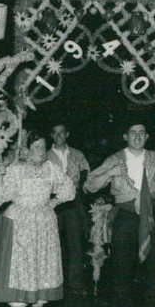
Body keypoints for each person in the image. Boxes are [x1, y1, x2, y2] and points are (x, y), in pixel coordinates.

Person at [84, 121, 155, 307]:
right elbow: (89, 185)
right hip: (125, 217)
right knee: (122, 265)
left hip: (151, 216)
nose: (137, 136)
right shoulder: (114, 159)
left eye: (142, 133)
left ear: (147, 137)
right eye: (133, 132)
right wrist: (109, 173)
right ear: (126, 136)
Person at [0, 132, 75, 307]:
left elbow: (68, 188)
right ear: (26, 150)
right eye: (37, 147)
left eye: (44, 147)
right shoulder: (15, 170)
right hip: (21, 222)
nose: (41, 151)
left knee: (43, 266)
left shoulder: (51, 169)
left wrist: (54, 201)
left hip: (44, 222)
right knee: (21, 267)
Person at [46, 123, 91, 294]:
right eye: (55, 132)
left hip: (73, 202)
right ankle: (50, 283)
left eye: (62, 132)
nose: (59, 135)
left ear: (67, 134)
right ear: (52, 135)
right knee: (51, 242)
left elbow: (87, 174)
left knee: (75, 242)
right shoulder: (45, 155)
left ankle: (76, 283)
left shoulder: (78, 154)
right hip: (53, 201)